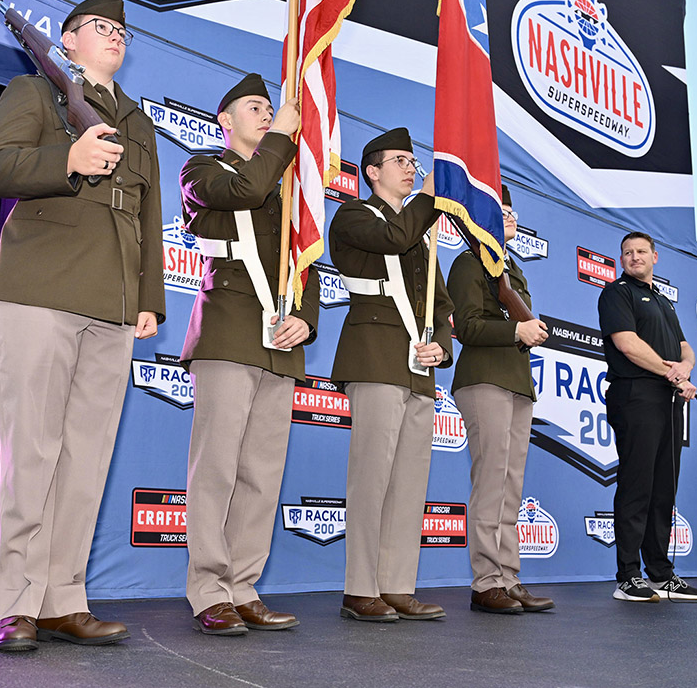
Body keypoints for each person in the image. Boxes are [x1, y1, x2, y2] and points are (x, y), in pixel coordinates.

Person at [0, 0, 165, 652]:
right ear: (67, 39)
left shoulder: (138, 122)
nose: (114, 35)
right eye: (100, 27)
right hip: (40, 288)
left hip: (112, 303)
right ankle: (18, 603)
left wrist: (149, 299)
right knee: (32, 452)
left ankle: (64, 598)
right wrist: (68, 159)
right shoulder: (34, 95)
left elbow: (146, 215)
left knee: (86, 461)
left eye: (122, 30)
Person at [179, 74, 318, 635]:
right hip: (230, 329)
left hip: (278, 342)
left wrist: (307, 320)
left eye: (271, 108)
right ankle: (209, 590)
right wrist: (281, 140)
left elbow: (303, 262)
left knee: (262, 473)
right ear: (225, 121)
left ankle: (243, 585)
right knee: (217, 468)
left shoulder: (288, 188)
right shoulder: (203, 168)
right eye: (255, 108)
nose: (267, 114)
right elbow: (244, 192)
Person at [330, 127, 452, 623]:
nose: (411, 168)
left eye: (413, 161)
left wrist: (442, 348)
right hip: (375, 354)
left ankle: (397, 585)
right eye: (399, 160)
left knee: (408, 483)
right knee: (372, 478)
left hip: (419, 369)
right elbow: (394, 237)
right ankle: (360, 588)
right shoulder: (356, 214)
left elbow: (442, 305)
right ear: (372, 171)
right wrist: (429, 199)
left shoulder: (422, 238)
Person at [447, 188, 554, 614]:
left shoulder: (510, 268)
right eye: (501, 211)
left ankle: (509, 577)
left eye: (511, 211)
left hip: (516, 381)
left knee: (511, 486)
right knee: (491, 482)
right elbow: (467, 327)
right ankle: (486, 581)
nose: (510, 217)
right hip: (484, 379)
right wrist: (515, 331)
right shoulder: (468, 262)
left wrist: (526, 330)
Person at [597, 232, 697, 602]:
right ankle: (628, 576)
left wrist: (686, 368)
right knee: (637, 485)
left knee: (663, 488)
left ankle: (660, 573)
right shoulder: (617, 293)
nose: (634, 257)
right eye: (627, 252)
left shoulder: (663, 301)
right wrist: (671, 372)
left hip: (668, 400)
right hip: (636, 395)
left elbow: (684, 347)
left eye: (641, 251)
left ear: (655, 257)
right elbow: (627, 344)